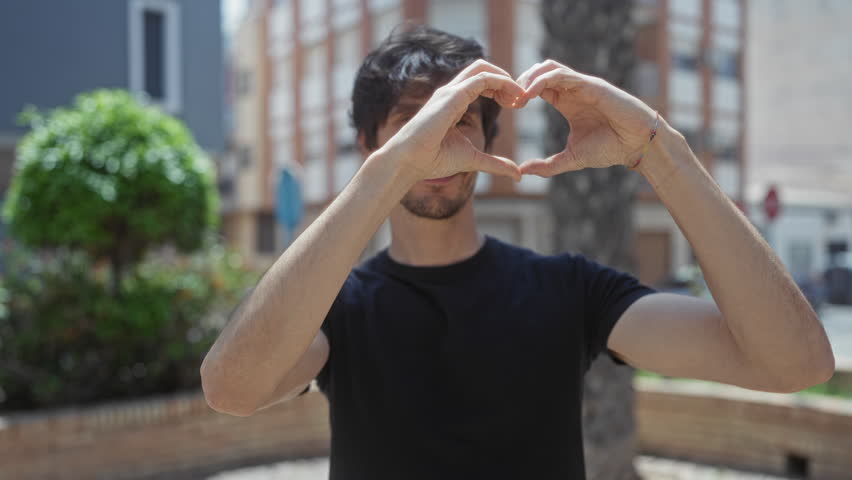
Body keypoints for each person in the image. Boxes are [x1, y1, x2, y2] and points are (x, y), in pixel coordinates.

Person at [200, 27, 835, 479]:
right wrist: (384, 175)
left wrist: (659, 150)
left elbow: (792, 364)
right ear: (371, 146)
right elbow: (231, 387)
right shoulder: (338, 309)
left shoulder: (571, 290)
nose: (435, 148)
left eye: (457, 123)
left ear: (487, 140)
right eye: (410, 125)